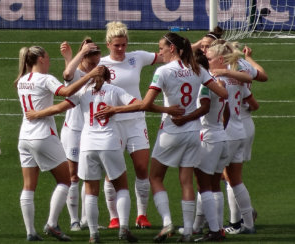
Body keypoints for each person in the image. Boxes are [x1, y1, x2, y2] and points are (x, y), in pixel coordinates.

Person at [95, 32, 228, 243]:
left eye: (162, 48)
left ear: (172, 49)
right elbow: (223, 94)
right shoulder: (198, 69)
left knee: (155, 178)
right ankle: (187, 233)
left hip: (171, 131)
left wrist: (116, 109)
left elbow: (145, 104)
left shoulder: (163, 71)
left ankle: (167, 223)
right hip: (194, 132)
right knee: (186, 181)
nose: (160, 52)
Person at [25, 66, 139, 243]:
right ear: (109, 78)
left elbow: (58, 108)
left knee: (90, 191)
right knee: (122, 187)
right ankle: (124, 227)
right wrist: (115, 109)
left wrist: (36, 113)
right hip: (110, 143)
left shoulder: (82, 92)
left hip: (87, 146)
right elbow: (138, 105)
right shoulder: (116, 90)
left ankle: (93, 234)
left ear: (92, 78)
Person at [15, 45, 103, 241]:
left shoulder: (21, 81)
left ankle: (30, 232)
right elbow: (66, 91)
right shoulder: (45, 79)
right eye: (48, 58)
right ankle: (52, 224)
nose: (50, 61)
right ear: (41, 60)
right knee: (64, 181)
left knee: (28, 186)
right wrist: (89, 77)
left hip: (24, 137)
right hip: (43, 135)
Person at [99, 21, 164, 229]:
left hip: (136, 121)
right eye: (116, 45)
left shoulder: (136, 57)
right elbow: (74, 77)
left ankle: (142, 215)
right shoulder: (100, 64)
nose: (121, 49)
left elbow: (165, 57)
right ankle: (114, 217)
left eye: (124, 45)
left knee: (142, 167)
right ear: (108, 43)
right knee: (112, 172)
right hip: (112, 123)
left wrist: (200, 44)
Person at [206, 42, 257, 235]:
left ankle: (212, 227)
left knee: (210, 181)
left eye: (210, 58)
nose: (207, 61)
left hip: (225, 134)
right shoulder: (237, 79)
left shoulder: (215, 79)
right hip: (240, 131)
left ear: (220, 59)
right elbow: (249, 99)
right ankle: (248, 224)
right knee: (235, 180)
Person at [59, 38, 101, 231]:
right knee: (73, 176)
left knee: (90, 176)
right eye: (91, 62)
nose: (95, 66)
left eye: (97, 62)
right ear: (83, 58)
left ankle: (86, 219)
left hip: (91, 131)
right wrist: (77, 54)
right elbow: (67, 73)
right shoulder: (76, 73)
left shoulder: (100, 74)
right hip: (74, 131)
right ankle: (74, 220)